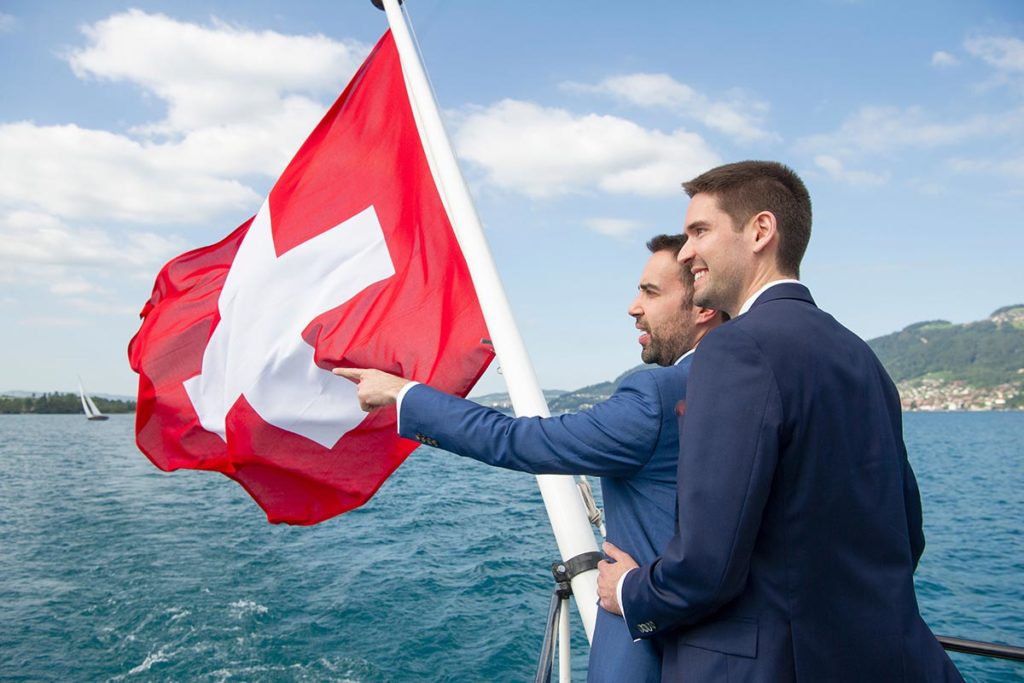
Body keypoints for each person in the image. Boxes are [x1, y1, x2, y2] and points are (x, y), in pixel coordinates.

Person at [596, 161, 962, 681]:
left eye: (700, 231)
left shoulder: (736, 348)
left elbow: (707, 567)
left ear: (760, 231)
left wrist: (632, 591)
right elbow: (906, 535)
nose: (685, 252)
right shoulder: (862, 357)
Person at [336, 235, 725, 683]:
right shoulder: (754, 382)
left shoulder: (657, 397)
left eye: (651, 292)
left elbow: (521, 440)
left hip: (651, 653)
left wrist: (402, 394)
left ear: (703, 305)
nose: (633, 307)